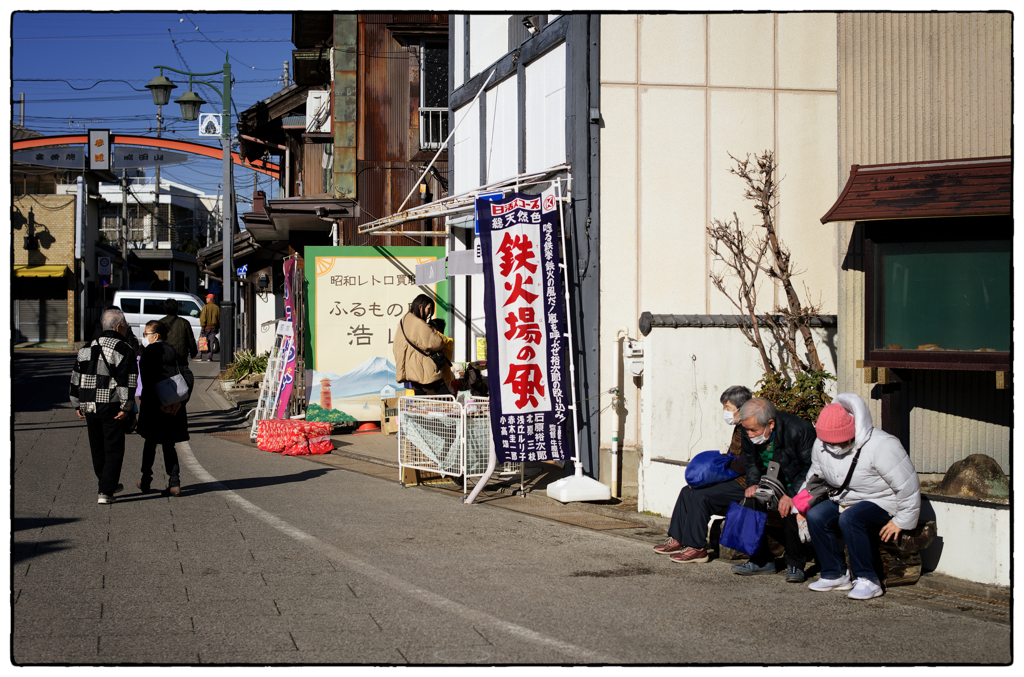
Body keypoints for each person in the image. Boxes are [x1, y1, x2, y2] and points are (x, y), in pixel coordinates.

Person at [800, 393, 921, 600]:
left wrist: (902, 521)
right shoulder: (821, 444)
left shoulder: (882, 445)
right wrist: (799, 508)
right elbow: (814, 477)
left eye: (840, 441)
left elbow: (907, 486)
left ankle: (868, 579)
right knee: (816, 516)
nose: (834, 447)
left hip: (883, 500)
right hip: (846, 498)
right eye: (828, 442)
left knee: (851, 518)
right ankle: (834, 573)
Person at [654, 386, 752, 563]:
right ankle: (678, 539)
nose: (725, 412)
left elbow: (741, 465)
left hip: (744, 483)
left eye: (728, 408)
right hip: (733, 477)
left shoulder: (749, 428)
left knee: (701, 495)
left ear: (741, 407)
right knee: (687, 491)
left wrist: (709, 478)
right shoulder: (739, 427)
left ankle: (697, 547)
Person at [732, 397, 816, 582]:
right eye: (746, 429)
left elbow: (809, 468)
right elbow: (752, 461)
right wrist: (753, 483)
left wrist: (792, 495)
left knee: (790, 509)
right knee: (751, 501)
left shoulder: (799, 430)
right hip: (771, 481)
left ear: (770, 423)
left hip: (799, 485)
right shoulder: (748, 431)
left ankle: (795, 563)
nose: (749, 434)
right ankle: (761, 560)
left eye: (753, 430)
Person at [70, 308, 137, 504]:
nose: (126, 329)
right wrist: (126, 407)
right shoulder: (124, 349)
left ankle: (105, 483)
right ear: (118, 326)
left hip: (89, 404)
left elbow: (76, 377)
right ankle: (106, 491)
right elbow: (128, 381)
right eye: (125, 325)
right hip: (112, 404)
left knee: (97, 447)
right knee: (114, 448)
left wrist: (76, 402)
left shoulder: (86, 348)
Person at [137, 320, 191, 497]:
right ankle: (174, 482)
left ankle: (146, 480)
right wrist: (179, 402)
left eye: (146, 334)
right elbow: (186, 375)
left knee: (150, 443)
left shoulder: (148, 353)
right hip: (175, 403)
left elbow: (147, 381)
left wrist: (159, 404)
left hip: (154, 405)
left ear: (156, 336)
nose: (144, 337)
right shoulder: (174, 351)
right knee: (169, 444)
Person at [393, 294, 448, 395]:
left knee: (420, 403)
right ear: (420, 306)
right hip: (424, 368)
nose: (429, 313)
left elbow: (396, 345)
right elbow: (438, 343)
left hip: (411, 370)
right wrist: (434, 332)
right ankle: (454, 410)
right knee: (446, 396)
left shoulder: (403, 321)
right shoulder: (418, 323)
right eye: (428, 309)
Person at [158, 298, 198, 366]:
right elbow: (190, 340)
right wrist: (193, 353)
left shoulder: (159, 323)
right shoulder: (184, 322)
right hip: (181, 356)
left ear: (165, 310)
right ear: (177, 309)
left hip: (165, 355)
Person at [427, 317, 456, 393]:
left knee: (443, 403)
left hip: (445, 378)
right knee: (431, 403)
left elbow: (444, 341)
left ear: (438, 330)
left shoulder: (450, 341)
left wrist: (434, 332)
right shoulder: (429, 343)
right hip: (431, 377)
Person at [198, 293, 220, 362]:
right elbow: (219, 319)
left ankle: (199, 356)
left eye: (207, 298)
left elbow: (203, 318)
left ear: (210, 299)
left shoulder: (205, 307)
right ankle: (209, 357)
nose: (206, 299)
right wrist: (218, 327)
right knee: (211, 342)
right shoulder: (217, 307)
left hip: (206, 327)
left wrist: (202, 327)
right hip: (214, 327)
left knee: (202, 341)